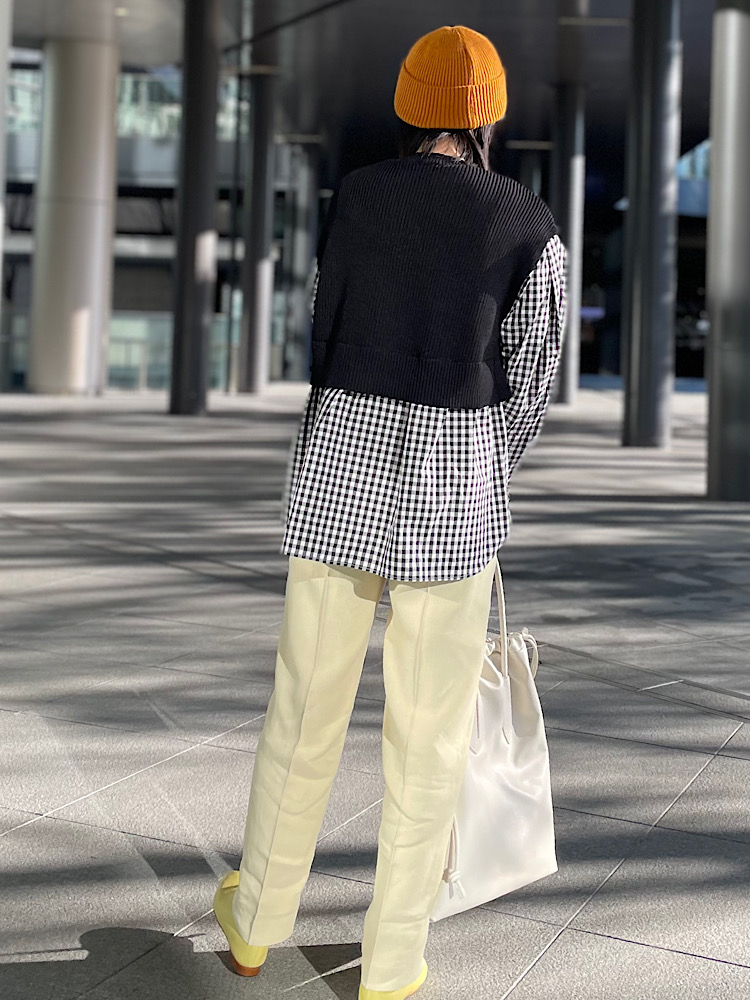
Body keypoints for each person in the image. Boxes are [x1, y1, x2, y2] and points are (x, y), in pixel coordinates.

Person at [212, 23, 567, 1000]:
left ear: (409, 107)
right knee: (428, 735)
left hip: (340, 479)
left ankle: (257, 923)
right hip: (455, 499)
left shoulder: (357, 200)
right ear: (489, 117)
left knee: (303, 710)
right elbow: (534, 375)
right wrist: (481, 463)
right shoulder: (528, 223)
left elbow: (321, 327)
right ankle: (393, 960)